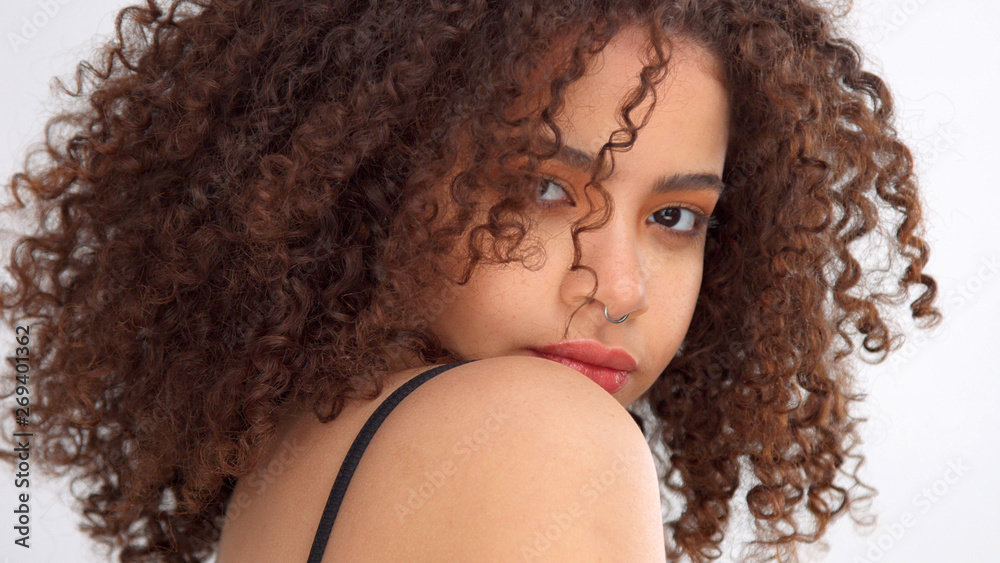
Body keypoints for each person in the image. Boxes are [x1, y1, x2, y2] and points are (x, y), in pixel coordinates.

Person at [0, 0, 942, 561]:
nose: (617, 285)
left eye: (675, 218)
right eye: (541, 190)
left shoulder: (309, 464)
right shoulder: (539, 433)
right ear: (378, 177)